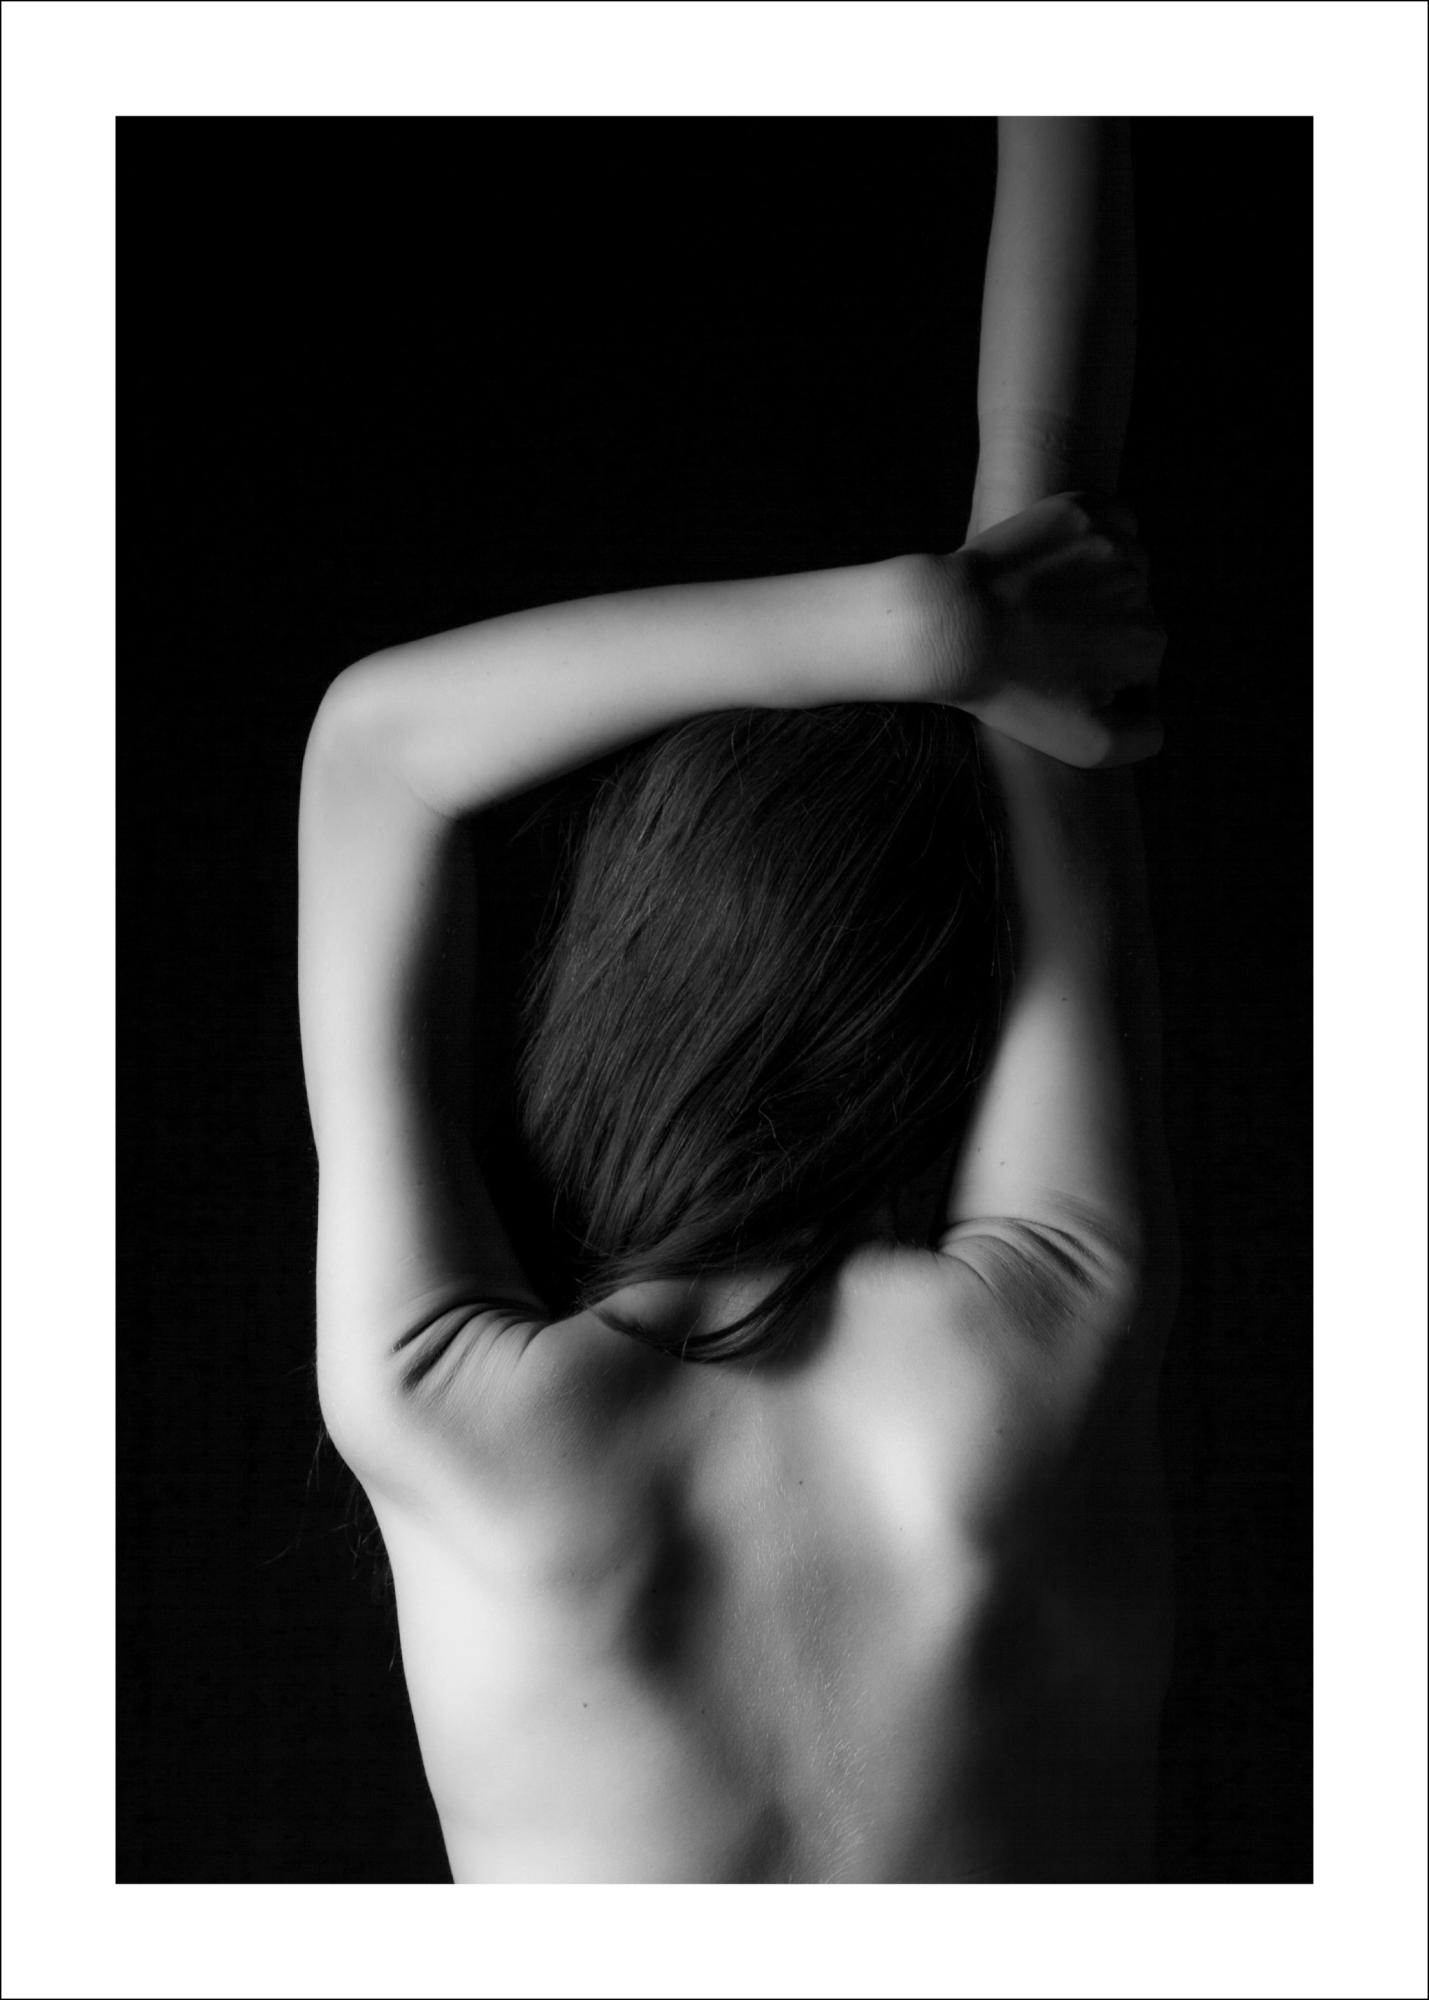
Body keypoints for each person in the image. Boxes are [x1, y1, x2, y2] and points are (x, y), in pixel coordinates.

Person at [297, 115, 1176, 1883]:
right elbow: (1044, 500)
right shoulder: (1042, 1341)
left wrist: (922, 631)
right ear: (942, 1025)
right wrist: (959, 637)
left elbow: (375, 751)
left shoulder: (449, 1418)